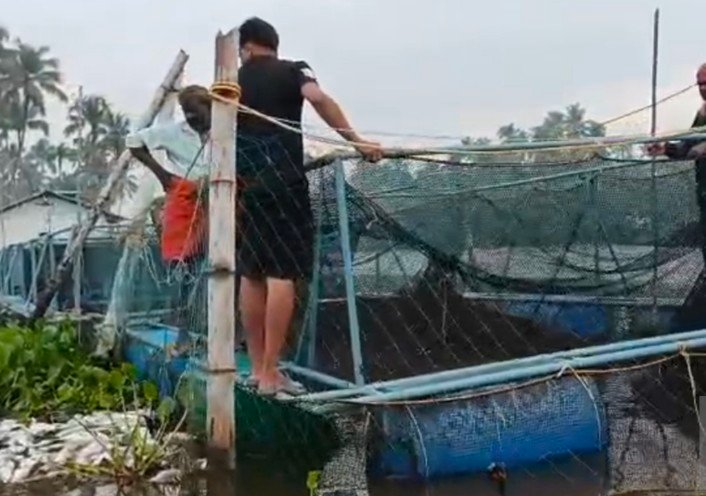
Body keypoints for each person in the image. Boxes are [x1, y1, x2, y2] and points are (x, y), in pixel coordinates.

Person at [235, 17, 383, 395]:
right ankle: (271, 374)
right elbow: (317, 98)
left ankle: (256, 369)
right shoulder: (293, 69)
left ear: (246, 46)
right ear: (272, 44)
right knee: (282, 274)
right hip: (284, 182)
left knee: (251, 273)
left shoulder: (231, 81)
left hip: (247, 186)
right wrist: (357, 142)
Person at [649, 63, 706, 264]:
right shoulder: (702, 114)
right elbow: (687, 147)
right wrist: (666, 149)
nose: (703, 89)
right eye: (700, 84)